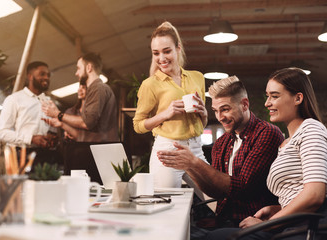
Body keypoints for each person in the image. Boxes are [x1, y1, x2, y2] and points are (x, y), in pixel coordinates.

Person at [205, 67, 327, 239]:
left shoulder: (311, 128)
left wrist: (270, 223)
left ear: (298, 98)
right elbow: (296, 192)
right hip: (289, 225)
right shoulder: (286, 142)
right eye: (268, 96)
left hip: (304, 230)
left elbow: (314, 195)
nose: (266, 103)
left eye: (274, 96)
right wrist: (276, 210)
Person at [157, 76, 285, 229]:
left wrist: (195, 162)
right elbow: (216, 191)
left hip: (253, 224)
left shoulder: (267, 133)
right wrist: (188, 167)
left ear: (244, 104)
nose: (219, 117)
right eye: (215, 111)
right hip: (225, 222)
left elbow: (243, 187)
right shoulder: (221, 142)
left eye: (225, 109)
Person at [133, 21, 208, 188]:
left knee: (218, 200)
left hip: (195, 147)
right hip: (167, 150)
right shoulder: (150, 84)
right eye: (156, 53)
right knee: (167, 205)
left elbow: (202, 124)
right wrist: (165, 114)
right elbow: (138, 125)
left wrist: (204, 114)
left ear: (178, 48)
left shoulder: (197, 77)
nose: (161, 58)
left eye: (167, 51)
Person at [41, 52, 119, 179]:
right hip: (96, 154)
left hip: (101, 156)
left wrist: (58, 114)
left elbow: (87, 123)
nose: (76, 73)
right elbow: (86, 135)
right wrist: (61, 124)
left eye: (78, 68)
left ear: (88, 68)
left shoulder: (98, 88)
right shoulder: (95, 90)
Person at [0, 61, 61, 168]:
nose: (46, 77)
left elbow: (54, 129)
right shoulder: (14, 99)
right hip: (21, 156)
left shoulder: (49, 102)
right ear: (30, 76)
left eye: (48, 75)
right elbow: (1, 133)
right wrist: (31, 138)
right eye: (42, 74)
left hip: (47, 157)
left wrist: (52, 137)